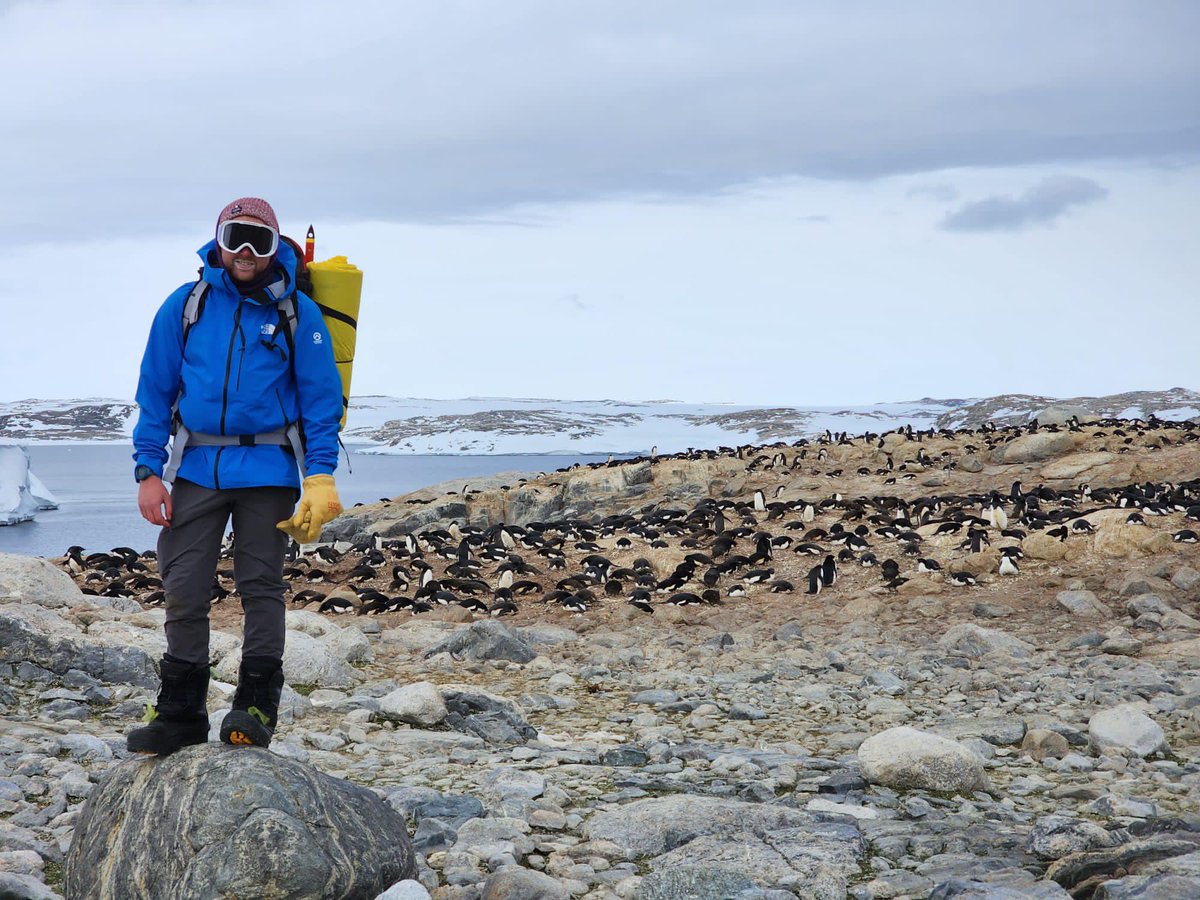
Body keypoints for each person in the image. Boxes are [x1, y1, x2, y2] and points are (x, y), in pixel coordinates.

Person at [127, 197, 344, 756]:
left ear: (276, 248)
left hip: (269, 470)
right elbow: (155, 391)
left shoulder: (299, 314)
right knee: (183, 585)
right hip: (197, 467)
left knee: (260, 587)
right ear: (218, 240)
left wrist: (320, 478)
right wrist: (149, 470)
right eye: (237, 237)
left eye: (260, 241)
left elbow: (322, 404)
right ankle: (178, 713)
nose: (246, 252)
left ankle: (254, 707)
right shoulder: (187, 305)